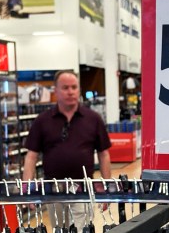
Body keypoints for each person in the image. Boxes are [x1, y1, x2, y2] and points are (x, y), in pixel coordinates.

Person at [23, 71, 112, 200]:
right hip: (53, 192)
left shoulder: (93, 119)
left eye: (74, 87)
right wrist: (27, 190)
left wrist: (107, 188)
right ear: (56, 91)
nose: (70, 92)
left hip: (83, 191)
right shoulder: (42, 120)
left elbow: (103, 154)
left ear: (79, 90)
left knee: (82, 221)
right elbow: (31, 157)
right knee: (57, 221)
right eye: (65, 88)